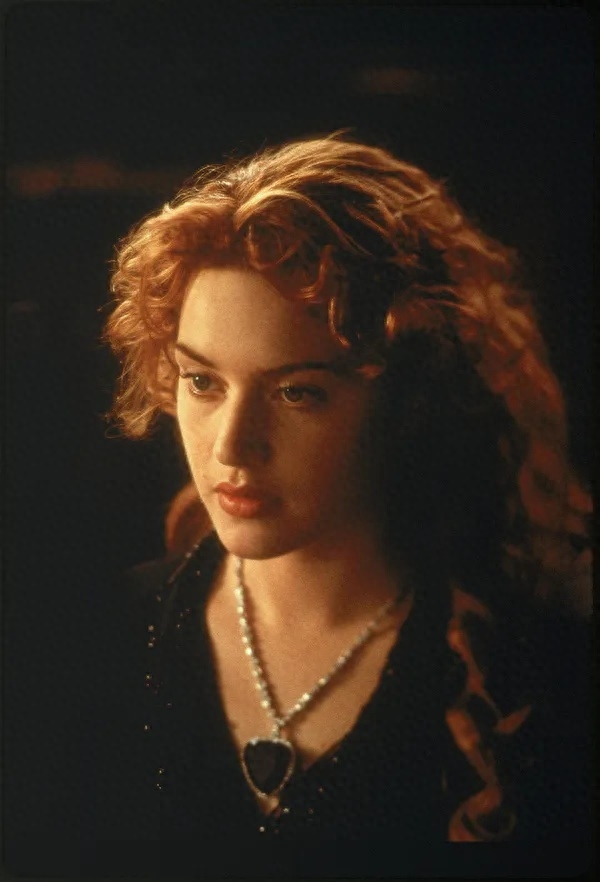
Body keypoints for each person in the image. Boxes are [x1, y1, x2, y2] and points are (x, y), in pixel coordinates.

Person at [93, 133, 591, 877]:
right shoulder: (95, 639)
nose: (232, 445)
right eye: (203, 382)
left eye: (297, 392)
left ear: (408, 400)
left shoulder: (537, 677)